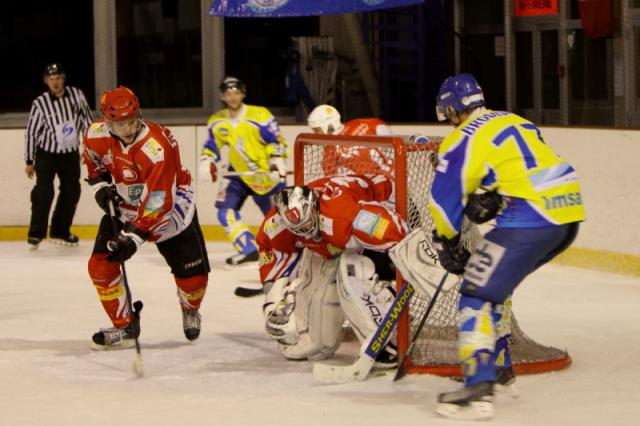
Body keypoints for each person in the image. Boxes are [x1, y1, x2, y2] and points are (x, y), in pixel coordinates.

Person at [427, 73, 585, 420]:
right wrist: (496, 197)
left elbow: (442, 201)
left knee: (475, 292)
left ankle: (477, 391)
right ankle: (499, 368)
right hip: (568, 215)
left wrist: (447, 240)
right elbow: (526, 165)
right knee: (493, 287)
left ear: (452, 110)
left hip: (531, 219)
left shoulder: (460, 138)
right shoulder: (516, 121)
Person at [82, 86, 210, 350]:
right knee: (100, 267)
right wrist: (100, 187)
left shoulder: (157, 147)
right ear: (107, 123)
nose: (128, 129)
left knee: (193, 280)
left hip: (172, 207)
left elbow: (158, 202)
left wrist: (132, 238)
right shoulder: (94, 134)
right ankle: (125, 326)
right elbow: (94, 162)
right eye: (120, 125)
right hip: (127, 204)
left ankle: (190, 308)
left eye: (132, 122)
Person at [256, 174, 407, 364]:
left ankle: (384, 340)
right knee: (317, 342)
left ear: (314, 205)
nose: (305, 232)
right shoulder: (278, 223)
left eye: (307, 224)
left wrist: (402, 259)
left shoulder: (342, 213)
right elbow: (274, 253)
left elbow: (393, 231)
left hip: (391, 207)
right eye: (298, 229)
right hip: (336, 238)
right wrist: (273, 304)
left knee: (352, 271)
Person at [198, 76, 288, 268]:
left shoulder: (260, 115)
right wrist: (207, 160)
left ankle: (285, 254)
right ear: (222, 95)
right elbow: (212, 145)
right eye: (228, 93)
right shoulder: (217, 121)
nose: (232, 97)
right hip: (237, 175)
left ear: (243, 94)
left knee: (277, 219)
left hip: (265, 175)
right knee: (225, 212)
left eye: (236, 92)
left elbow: (277, 141)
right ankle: (248, 250)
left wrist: (276, 163)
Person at [24, 63, 93, 250]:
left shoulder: (77, 96)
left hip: (70, 154)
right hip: (47, 154)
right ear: (46, 81)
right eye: (51, 78)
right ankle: (36, 233)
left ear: (63, 78)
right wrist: (29, 160)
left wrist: (89, 147)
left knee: (72, 192)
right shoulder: (40, 103)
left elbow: (88, 122)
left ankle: (60, 231)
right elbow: (32, 132)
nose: (55, 81)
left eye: (58, 77)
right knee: (43, 193)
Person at [306, 104, 393, 177]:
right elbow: (393, 141)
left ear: (327, 126)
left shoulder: (330, 148)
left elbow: (332, 178)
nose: (316, 134)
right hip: (393, 177)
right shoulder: (364, 123)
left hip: (370, 189)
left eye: (317, 130)